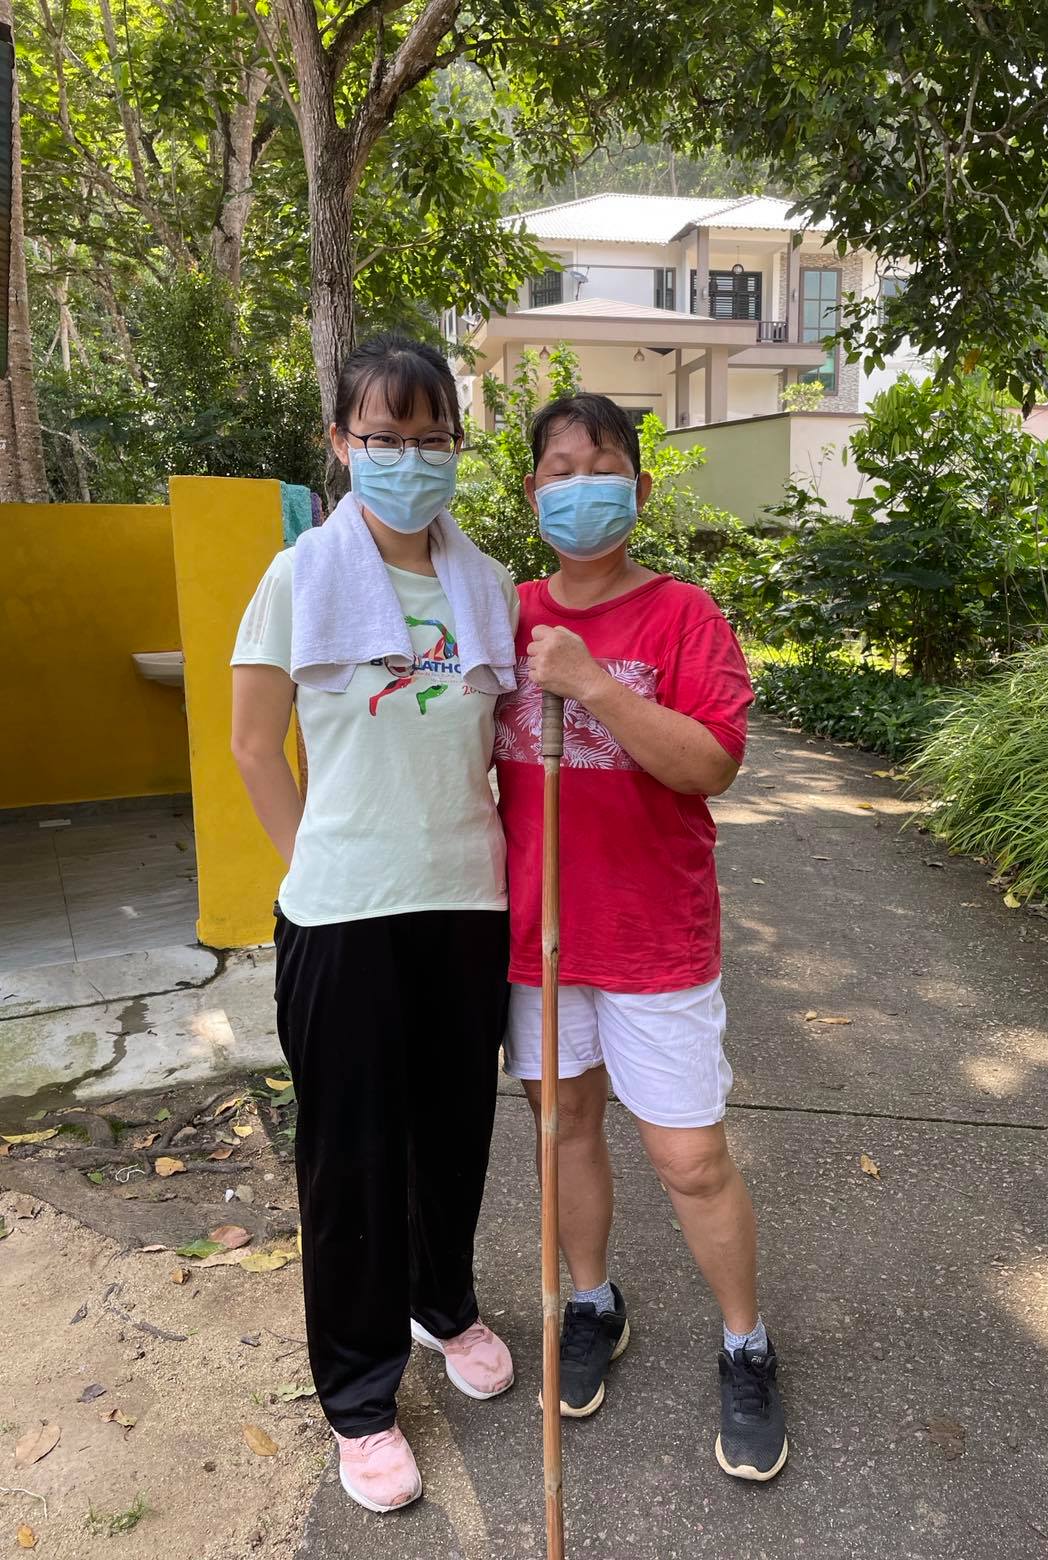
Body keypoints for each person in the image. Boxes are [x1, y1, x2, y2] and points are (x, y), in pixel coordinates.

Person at [231, 334, 519, 1515]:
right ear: (341, 444)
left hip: (466, 900)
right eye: (384, 437)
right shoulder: (299, 578)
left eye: (431, 437)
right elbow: (254, 746)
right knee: (350, 1160)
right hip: (345, 915)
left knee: (454, 1133)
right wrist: (320, 871)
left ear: (456, 445)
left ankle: (439, 1299)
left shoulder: (488, 584)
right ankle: (358, 1396)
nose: (409, 458)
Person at [493, 393, 787, 1482]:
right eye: (559, 467)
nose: (581, 483)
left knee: (691, 1159)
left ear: (639, 489)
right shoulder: (505, 610)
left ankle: (746, 1344)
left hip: (655, 937)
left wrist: (590, 687)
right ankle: (591, 1302)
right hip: (537, 937)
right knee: (564, 1127)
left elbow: (710, 765)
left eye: (602, 464)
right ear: (533, 494)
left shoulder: (683, 616)